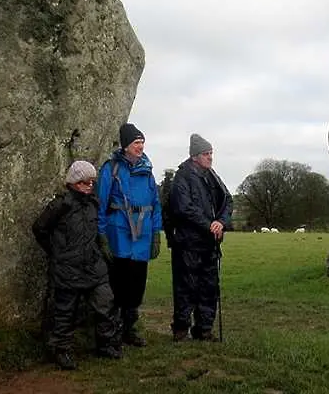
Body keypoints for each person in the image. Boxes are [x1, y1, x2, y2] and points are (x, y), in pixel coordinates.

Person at [32, 160, 122, 370]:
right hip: (68, 268)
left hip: (92, 266)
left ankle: (106, 344)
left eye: (92, 181)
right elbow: (39, 228)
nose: (89, 185)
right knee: (65, 312)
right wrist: (56, 251)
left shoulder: (94, 204)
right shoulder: (60, 205)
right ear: (74, 182)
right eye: (85, 181)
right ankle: (62, 351)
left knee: (106, 304)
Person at [96, 123, 162, 347]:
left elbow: (155, 205)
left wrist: (155, 233)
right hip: (119, 236)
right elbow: (101, 204)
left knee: (136, 287)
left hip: (141, 239)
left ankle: (130, 328)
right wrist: (102, 235)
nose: (140, 147)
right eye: (136, 143)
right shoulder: (111, 169)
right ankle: (112, 331)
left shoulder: (147, 172)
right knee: (118, 286)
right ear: (126, 146)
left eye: (142, 142)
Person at [169, 133, 232, 342]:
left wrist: (221, 222)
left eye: (211, 153)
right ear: (195, 156)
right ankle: (181, 329)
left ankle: (204, 329)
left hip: (209, 243)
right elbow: (184, 208)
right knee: (186, 287)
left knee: (209, 287)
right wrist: (209, 225)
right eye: (206, 154)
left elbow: (228, 200)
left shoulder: (212, 175)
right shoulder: (182, 177)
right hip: (187, 242)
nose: (210, 157)